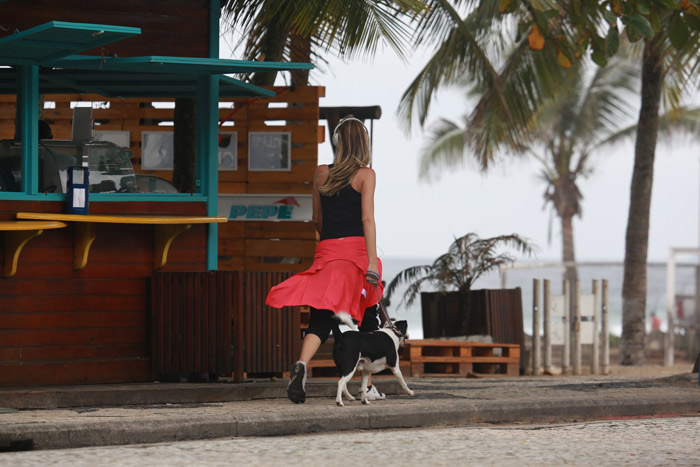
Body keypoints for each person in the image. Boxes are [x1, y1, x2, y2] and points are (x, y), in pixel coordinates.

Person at [266, 116, 384, 404]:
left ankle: (302, 365)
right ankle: (365, 387)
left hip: (327, 251)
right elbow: (367, 218)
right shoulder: (366, 174)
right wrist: (370, 260)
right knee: (367, 315)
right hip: (357, 253)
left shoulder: (321, 173)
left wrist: (330, 244)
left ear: (338, 142)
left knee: (321, 316)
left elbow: (316, 219)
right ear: (364, 143)